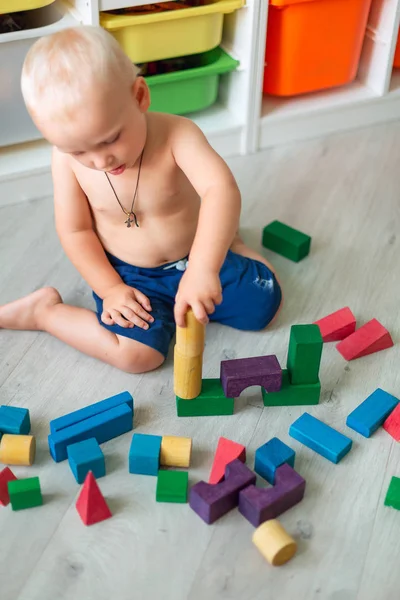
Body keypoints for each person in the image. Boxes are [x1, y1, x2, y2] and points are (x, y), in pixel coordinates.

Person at [0, 26, 282, 374]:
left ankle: (229, 242)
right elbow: (75, 231)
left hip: (194, 254)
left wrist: (204, 268)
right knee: (137, 357)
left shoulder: (178, 135)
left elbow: (220, 190)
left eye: (110, 139)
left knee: (264, 302)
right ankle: (44, 313)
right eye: (77, 151)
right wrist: (111, 288)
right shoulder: (65, 162)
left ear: (139, 96)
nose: (100, 161)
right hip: (130, 275)